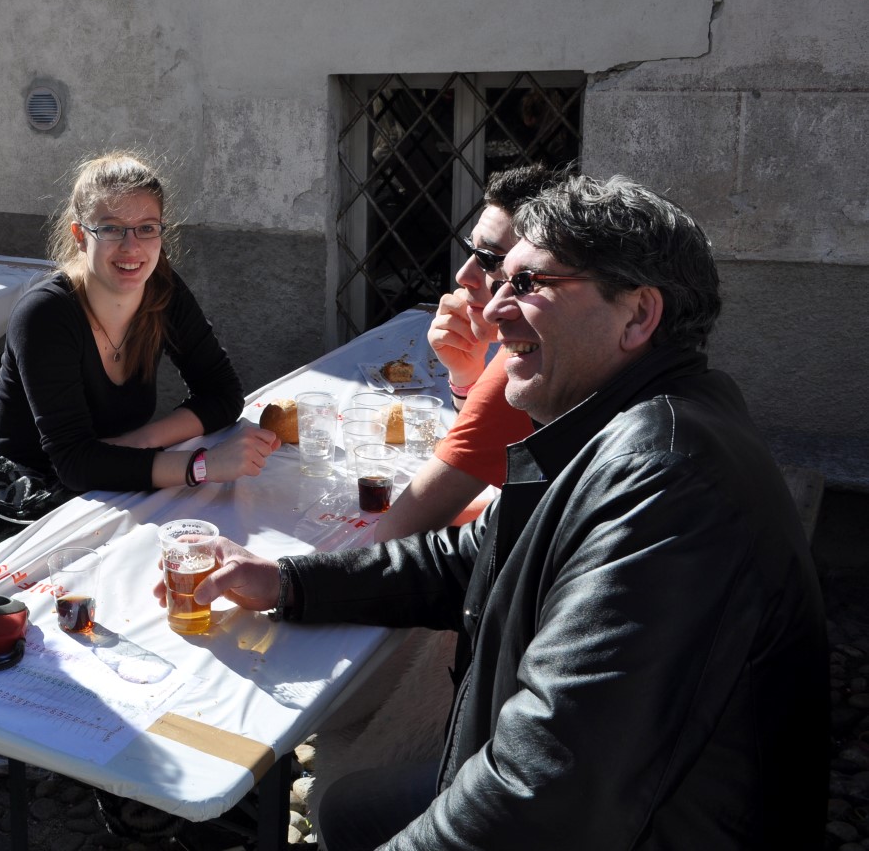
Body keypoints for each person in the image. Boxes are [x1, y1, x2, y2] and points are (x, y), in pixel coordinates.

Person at [176, 174, 828, 850]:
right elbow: (467, 557)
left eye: (528, 284)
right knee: (347, 809)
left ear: (638, 315)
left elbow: (541, 794)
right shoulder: (607, 426)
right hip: (584, 794)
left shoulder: (664, 482)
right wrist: (287, 581)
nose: (491, 310)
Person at [0, 153, 275, 561]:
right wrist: (200, 466)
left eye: (146, 228)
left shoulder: (161, 289)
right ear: (80, 236)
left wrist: (139, 443)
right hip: (22, 506)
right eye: (112, 229)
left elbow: (222, 393)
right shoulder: (45, 314)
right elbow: (74, 465)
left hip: (108, 488)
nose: (132, 247)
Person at [376, 164, 557, 539]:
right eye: (471, 250)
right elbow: (495, 467)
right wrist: (465, 377)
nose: (463, 275)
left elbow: (395, 535)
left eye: (490, 259)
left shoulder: (532, 358)